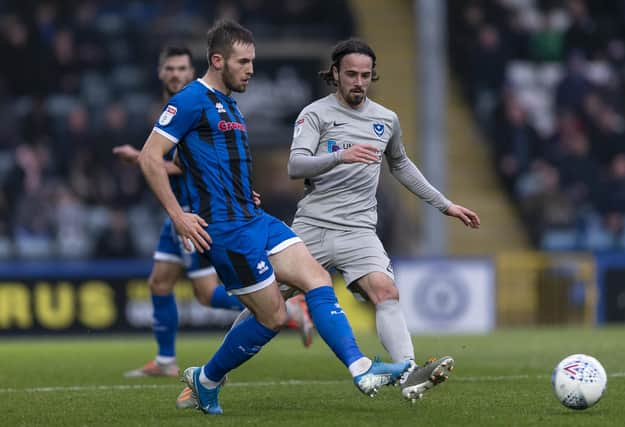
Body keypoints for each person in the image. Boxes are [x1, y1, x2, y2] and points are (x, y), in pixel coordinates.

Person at [138, 20, 412, 415]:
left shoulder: (228, 102)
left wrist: (232, 185)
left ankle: (362, 368)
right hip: (227, 233)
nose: (251, 69)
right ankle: (206, 378)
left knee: (316, 278)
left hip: (255, 218)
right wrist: (179, 214)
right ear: (217, 60)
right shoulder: (189, 100)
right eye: (243, 62)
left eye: (252, 61)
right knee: (272, 318)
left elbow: (192, 156)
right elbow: (151, 156)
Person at [286, 38, 481, 402]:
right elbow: (295, 166)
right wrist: (340, 155)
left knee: (386, 292)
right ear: (334, 74)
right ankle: (210, 378)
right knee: (264, 304)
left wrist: (445, 205)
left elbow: (401, 165)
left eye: (365, 75)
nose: (359, 82)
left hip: (358, 230)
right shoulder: (315, 114)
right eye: (351, 75)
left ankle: (409, 372)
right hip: (312, 225)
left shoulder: (386, 119)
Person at [114, 46, 313, 383]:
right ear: (160, 73)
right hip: (176, 213)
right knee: (159, 282)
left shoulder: (198, 105)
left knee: (206, 293)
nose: (176, 74)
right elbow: (180, 162)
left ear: (193, 72)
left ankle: (287, 310)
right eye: (170, 69)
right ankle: (165, 359)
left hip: (199, 214)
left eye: (182, 69)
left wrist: (138, 157)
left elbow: (185, 166)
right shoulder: (174, 109)